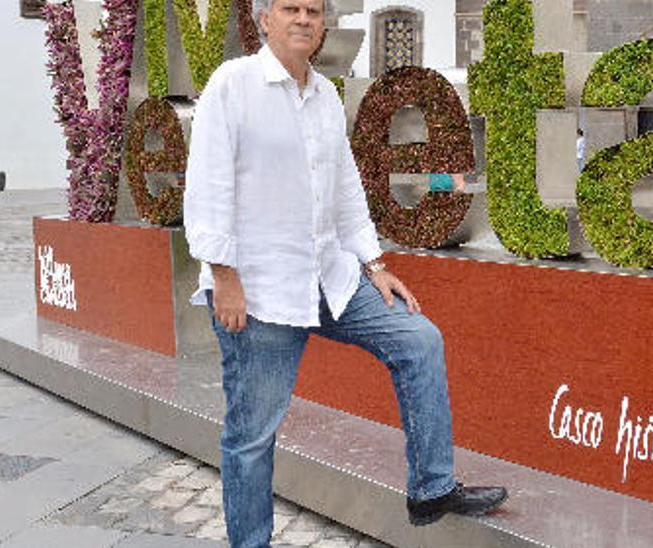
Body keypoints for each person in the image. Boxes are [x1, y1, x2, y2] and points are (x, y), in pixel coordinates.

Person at [183, 1, 507, 546]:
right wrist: (225, 275)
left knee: (418, 339)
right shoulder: (232, 85)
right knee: (251, 437)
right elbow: (208, 185)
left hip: (329, 277)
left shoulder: (327, 97)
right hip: (259, 290)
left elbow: (345, 190)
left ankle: (431, 488)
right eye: (290, 8)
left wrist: (373, 264)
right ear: (265, 19)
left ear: (323, 25)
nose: (303, 19)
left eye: (313, 10)